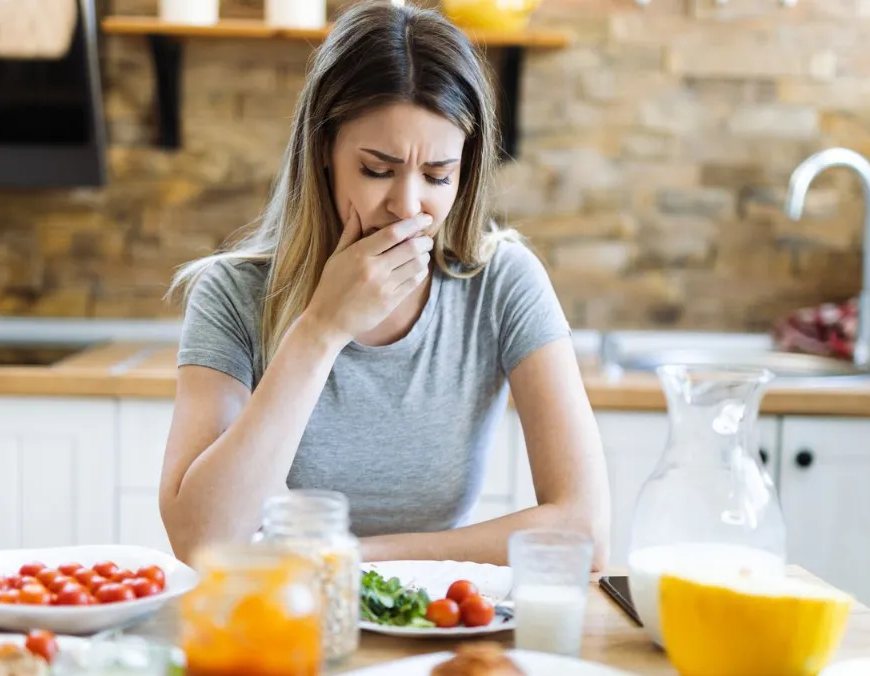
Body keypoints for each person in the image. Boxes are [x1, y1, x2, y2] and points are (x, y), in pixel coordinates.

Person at [160, 0, 610, 569]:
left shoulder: (502, 283)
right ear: (324, 151)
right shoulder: (231, 293)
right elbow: (201, 541)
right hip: (279, 623)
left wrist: (349, 558)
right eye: (378, 170)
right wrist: (320, 329)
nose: (407, 205)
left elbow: (586, 531)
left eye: (438, 176)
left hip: (435, 622)